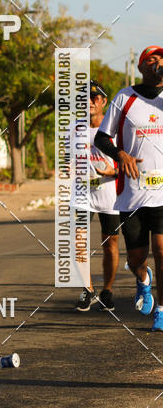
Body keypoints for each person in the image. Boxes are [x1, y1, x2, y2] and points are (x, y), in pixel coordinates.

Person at [95, 46, 163, 330]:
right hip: (131, 193)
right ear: (141, 67)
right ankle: (143, 278)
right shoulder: (125, 97)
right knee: (137, 258)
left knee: (162, 250)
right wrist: (120, 155)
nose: (159, 62)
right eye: (153, 58)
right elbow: (102, 138)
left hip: (161, 192)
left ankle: (161, 309)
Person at [75, 81, 121, 312]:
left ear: (104, 101)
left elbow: (128, 163)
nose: (90, 102)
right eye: (85, 98)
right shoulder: (74, 128)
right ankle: (88, 290)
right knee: (78, 241)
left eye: (95, 98)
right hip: (82, 193)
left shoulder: (114, 129)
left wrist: (112, 171)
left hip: (109, 193)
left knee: (110, 244)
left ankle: (107, 291)